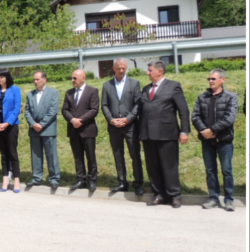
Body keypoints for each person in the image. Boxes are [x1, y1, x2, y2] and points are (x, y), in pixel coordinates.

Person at [138, 60, 190, 208]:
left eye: (150, 70)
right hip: (148, 135)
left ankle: (174, 196)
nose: (147, 73)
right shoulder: (146, 89)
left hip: (167, 134)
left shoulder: (173, 86)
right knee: (153, 167)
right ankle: (159, 195)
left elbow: (183, 111)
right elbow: (142, 113)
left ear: (159, 71)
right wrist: (142, 133)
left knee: (169, 166)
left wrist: (184, 131)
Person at [192, 69, 238, 212]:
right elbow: (195, 116)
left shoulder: (231, 97)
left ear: (222, 80)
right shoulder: (202, 97)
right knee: (210, 170)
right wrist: (205, 132)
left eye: (214, 79)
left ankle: (229, 199)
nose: (211, 81)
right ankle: (213, 197)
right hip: (207, 141)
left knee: (227, 170)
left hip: (224, 140)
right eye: (209, 79)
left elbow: (230, 118)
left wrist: (212, 130)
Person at [101, 58, 143, 195]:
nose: (121, 71)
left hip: (130, 126)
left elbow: (138, 104)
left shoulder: (134, 83)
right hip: (114, 127)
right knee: (118, 155)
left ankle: (138, 183)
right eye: (118, 68)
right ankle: (122, 182)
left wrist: (129, 119)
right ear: (113, 68)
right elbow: (104, 105)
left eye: (123, 68)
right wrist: (110, 119)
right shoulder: (107, 85)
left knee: (135, 155)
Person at [62, 69, 99, 192]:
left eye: (75, 78)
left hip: (87, 130)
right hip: (74, 130)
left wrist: (80, 120)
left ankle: (92, 180)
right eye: (72, 78)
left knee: (90, 156)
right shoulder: (69, 93)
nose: (72, 81)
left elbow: (94, 109)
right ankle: (80, 180)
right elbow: (64, 110)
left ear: (83, 78)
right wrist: (72, 120)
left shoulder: (92, 91)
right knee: (78, 157)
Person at [24, 71, 60, 189]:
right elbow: (27, 111)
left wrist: (42, 124)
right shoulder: (30, 94)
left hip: (48, 128)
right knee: (36, 155)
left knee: (51, 154)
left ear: (45, 80)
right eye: (34, 79)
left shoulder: (53, 93)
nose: (35, 82)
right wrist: (33, 124)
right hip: (34, 129)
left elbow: (53, 111)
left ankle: (54, 178)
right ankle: (36, 177)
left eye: (38, 79)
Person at [0, 69, 22, 193]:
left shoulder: (15, 90)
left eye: (2, 77)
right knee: (3, 154)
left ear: (7, 78)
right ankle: (5, 180)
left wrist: (7, 123)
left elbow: (16, 108)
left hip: (11, 126)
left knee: (12, 153)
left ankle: (17, 180)